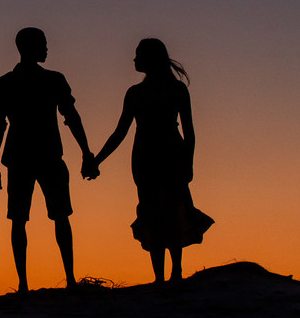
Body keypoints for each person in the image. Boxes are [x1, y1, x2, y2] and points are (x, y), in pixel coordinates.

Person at [86, 38, 213, 282]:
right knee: (152, 212)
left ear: (151, 58)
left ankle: (175, 272)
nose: (134, 59)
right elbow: (120, 132)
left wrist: (189, 162)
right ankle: (161, 276)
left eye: (139, 55)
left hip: (167, 154)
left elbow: (189, 131)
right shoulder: (136, 93)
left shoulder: (174, 90)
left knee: (168, 211)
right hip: (146, 157)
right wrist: (97, 160)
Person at [0, 27, 95, 292]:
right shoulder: (47, 80)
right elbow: (71, 116)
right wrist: (85, 151)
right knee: (37, 218)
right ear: (29, 47)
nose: (47, 48)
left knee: (33, 218)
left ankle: (39, 282)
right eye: (43, 44)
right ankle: (49, 281)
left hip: (30, 157)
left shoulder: (9, 83)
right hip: (40, 156)